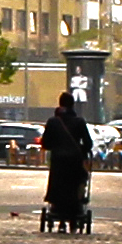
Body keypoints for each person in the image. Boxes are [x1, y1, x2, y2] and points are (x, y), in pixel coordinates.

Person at [40, 90, 93, 234]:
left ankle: (58, 211)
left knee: (58, 185)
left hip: (58, 161)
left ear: (60, 104)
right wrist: (80, 150)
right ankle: (74, 215)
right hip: (75, 161)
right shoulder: (79, 122)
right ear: (73, 105)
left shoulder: (53, 122)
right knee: (75, 184)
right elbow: (88, 143)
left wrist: (56, 147)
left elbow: (45, 143)